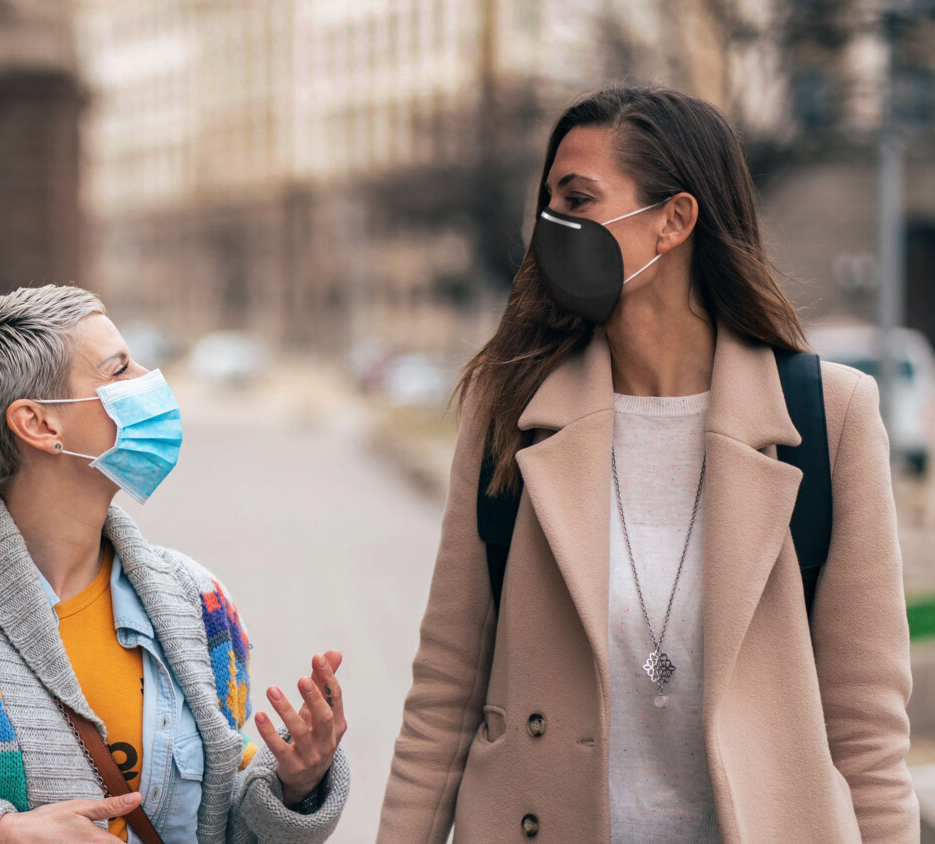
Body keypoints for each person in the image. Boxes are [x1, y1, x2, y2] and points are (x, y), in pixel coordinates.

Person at [378, 86, 918, 842]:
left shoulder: (829, 416)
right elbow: (444, 696)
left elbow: (867, 731)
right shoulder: (513, 413)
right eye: (550, 202)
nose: (554, 225)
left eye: (580, 199)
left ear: (675, 220)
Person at [0, 284, 350, 844]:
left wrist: (293, 786)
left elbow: (224, 826)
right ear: (39, 424)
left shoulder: (198, 604)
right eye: (119, 369)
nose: (150, 381)